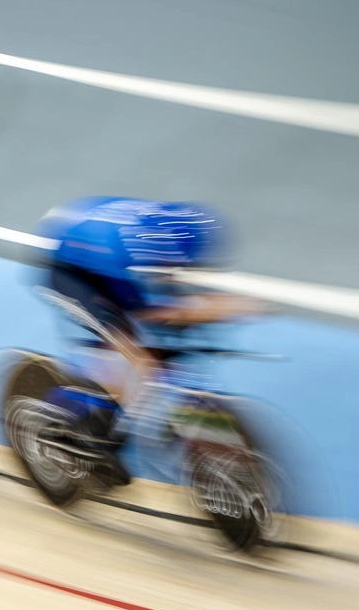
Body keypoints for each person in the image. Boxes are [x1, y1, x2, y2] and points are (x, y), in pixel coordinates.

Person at [35, 196, 266, 479]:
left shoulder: (164, 242)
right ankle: (81, 421)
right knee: (128, 348)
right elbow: (149, 313)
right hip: (71, 273)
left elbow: (175, 301)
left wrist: (221, 308)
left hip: (105, 259)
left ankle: (112, 409)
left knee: (158, 338)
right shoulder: (130, 253)